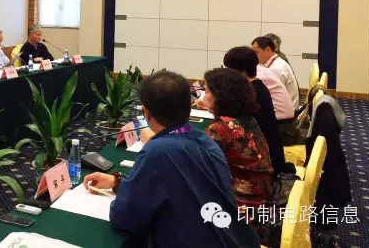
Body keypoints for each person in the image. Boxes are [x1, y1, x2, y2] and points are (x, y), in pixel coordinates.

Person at [83, 71, 260, 247]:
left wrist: (124, 194)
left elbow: (125, 218)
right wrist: (118, 182)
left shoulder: (158, 151)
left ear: (146, 112)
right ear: (189, 107)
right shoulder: (205, 140)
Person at [202, 68, 274, 209]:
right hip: (263, 198)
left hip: (242, 206)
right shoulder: (247, 119)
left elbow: (194, 162)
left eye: (206, 92)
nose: (204, 97)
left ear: (220, 96)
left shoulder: (221, 128)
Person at [223, 47, 289, 175]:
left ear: (240, 72)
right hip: (270, 154)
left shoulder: (250, 95)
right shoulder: (257, 86)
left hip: (264, 163)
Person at [251, 36, 299, 109]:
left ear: (268, 49)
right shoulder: (272, 62)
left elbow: (269, 96)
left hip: (284, 112)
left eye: (256, 52)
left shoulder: (277, 68)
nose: (254, 56)